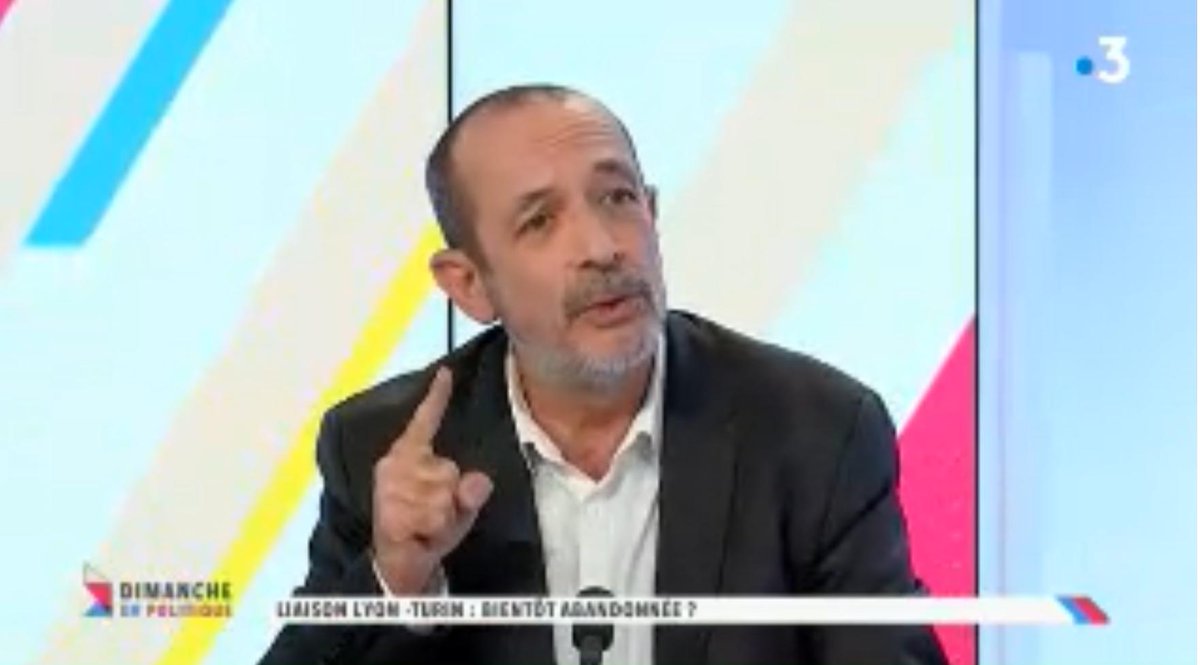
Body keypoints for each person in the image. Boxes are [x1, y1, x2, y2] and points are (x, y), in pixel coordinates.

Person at [258, 84, 948, 665]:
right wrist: (395, 580)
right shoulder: (382, 450)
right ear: (469, 284)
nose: (601, 247)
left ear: (653, 213)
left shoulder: (816, 431)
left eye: (617, 198)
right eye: (540, 221)